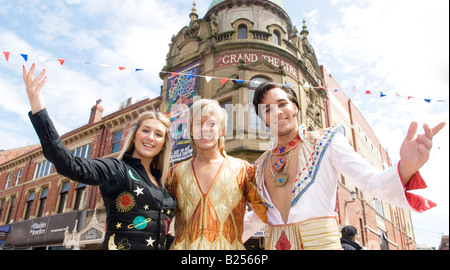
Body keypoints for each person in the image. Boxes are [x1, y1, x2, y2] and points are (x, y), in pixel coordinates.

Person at [244, 82, 446, 250]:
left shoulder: (327, 142)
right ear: (263, 119)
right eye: (268, 110)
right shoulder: (260, 165)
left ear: (295, 107)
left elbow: (372, 182)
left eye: (282, 104)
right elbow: (258, 216)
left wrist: (406, 168)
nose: (278, 112)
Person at [23, 64, 176, 250]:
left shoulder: (162, 182)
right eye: (146, 130)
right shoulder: (117, 169)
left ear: (163, 144)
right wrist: (38, 106)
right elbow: (69, 165)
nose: (151, 137)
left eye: (158, 134)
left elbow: (161, 233)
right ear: (135, 135)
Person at [166, 99, 267, 250]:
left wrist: (234, 237)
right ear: (191, 130)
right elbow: (160, 216)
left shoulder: (243, 169)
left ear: (221, 130)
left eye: (211, 124)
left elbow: (265, 213)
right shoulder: (174, 173)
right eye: (198, 123)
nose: (204, 129)